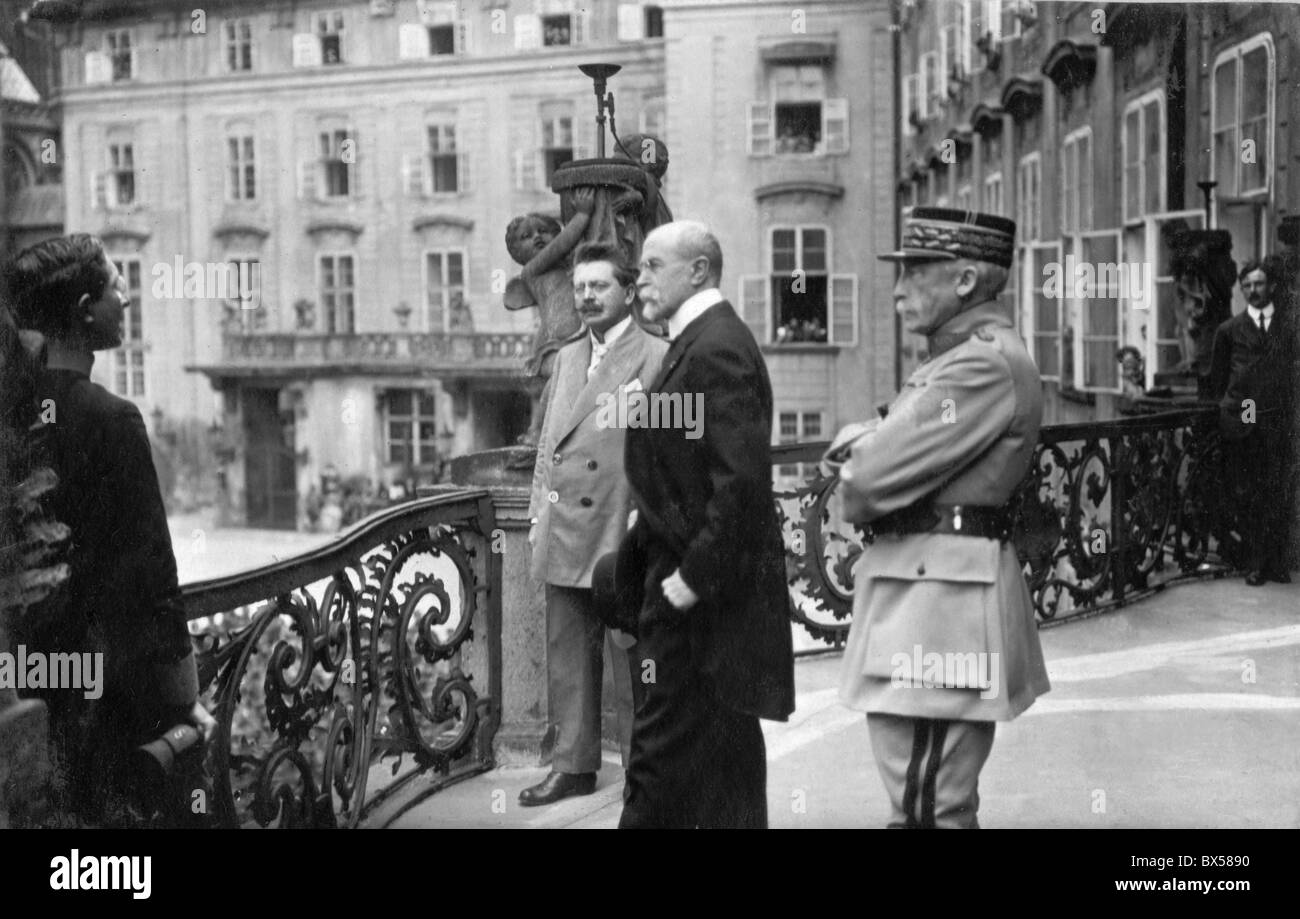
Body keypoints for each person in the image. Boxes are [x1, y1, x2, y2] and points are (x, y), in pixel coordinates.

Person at [823, 207, 1049, 828]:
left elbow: (862, 482)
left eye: (917, 272)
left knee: (925, 803)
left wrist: (869, 450)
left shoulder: (975, 364)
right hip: (938, 592)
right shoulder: (969, 356)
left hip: (938, 606)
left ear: (968, 281)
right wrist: (877, 439)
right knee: (930, 800)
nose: (898, 290)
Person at [4, 234, 215, 826]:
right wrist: (185, 700)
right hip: (109, 691)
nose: (126, 297)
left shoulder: (14, 409)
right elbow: (153, 576)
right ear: (84, 311)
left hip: (28, 680)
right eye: (116, 286)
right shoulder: (112, 419)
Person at [613, 220, 795, 828]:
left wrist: (690, 579)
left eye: (653, 265)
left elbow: (740, 481)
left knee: (660, 757)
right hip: (699, 589)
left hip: (696, 598)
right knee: (726, 758)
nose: (639, 278)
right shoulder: (701, 339)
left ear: (698, 271)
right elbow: (691, 464)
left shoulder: (714, 346)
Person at [520, 242, 668, 806]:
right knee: (568, 655)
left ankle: (646, 773)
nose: (585, 297)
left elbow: (675, 446)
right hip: (562, 527)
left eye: (598, 286)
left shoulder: (656, 356)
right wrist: (537, 512)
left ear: (628, 292)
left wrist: (650, 518)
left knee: (635, 657)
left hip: (619, 526)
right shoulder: (565, 358)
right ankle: (574, 766)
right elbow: (547, 449)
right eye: (580, 287)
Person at [1207, 259, 1295, 585]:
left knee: (1277, 492)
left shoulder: (1288, 328)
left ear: (1270, 286)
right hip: (1244, 422)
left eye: (1259, 284)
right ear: (1241, 290)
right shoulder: (1229, 331)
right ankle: (1255, 563)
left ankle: (1276, 563)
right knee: (1249, 495)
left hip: (1278, 420)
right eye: (1247, 286)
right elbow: (1219, 383)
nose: (1253, 291)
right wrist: (1246, 417)